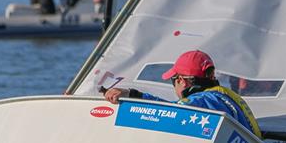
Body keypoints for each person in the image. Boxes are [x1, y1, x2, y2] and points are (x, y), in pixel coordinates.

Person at [103, 50, 262, 137]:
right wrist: (132, 93)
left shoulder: (202, 100)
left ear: (181, 81)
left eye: (172, 80)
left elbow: (168, 112)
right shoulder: (223, 96)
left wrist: (132, 96)